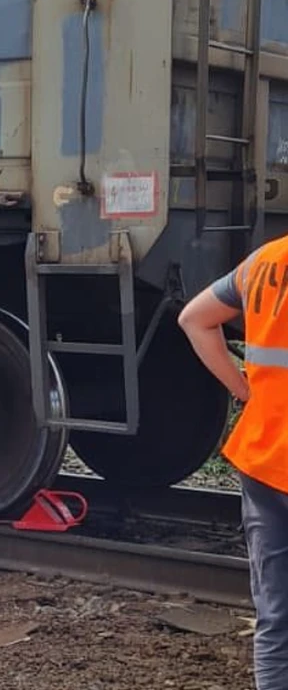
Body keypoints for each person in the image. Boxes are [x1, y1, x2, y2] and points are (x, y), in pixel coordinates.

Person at [178, 236, 288, 690]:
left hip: (264, 459)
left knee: (275, 619)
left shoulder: (265, 260)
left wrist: (245, 391)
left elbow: (194, 319)